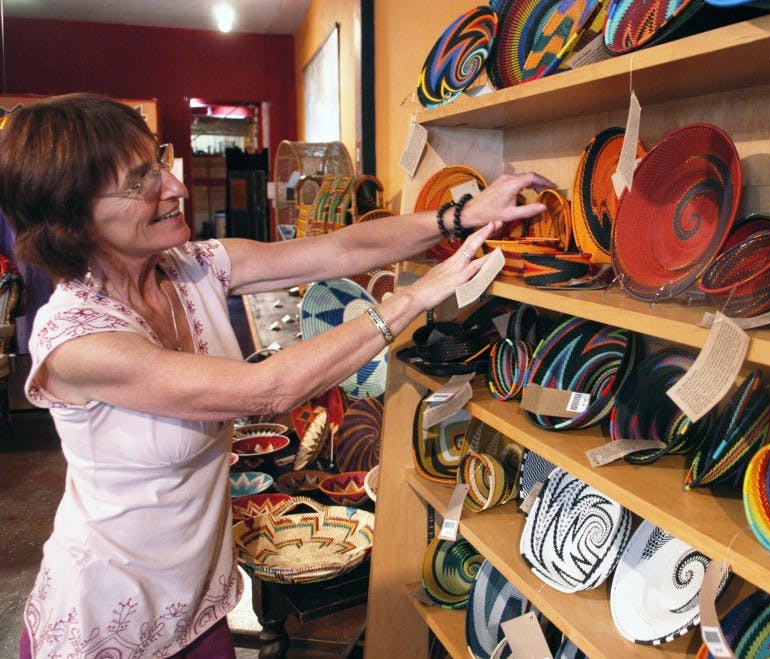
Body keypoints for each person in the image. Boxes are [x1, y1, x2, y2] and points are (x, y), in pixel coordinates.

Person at [0, 93, 555, 658]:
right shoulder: (75, 340)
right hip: (105, 622)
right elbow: (269, 389)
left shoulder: (191, 265)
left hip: (197, 605)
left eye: (160, 162)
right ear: (71, 215)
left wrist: (461, 216)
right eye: (141, 181)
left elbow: (337, 249)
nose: (175, 187)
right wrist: (411, 299)